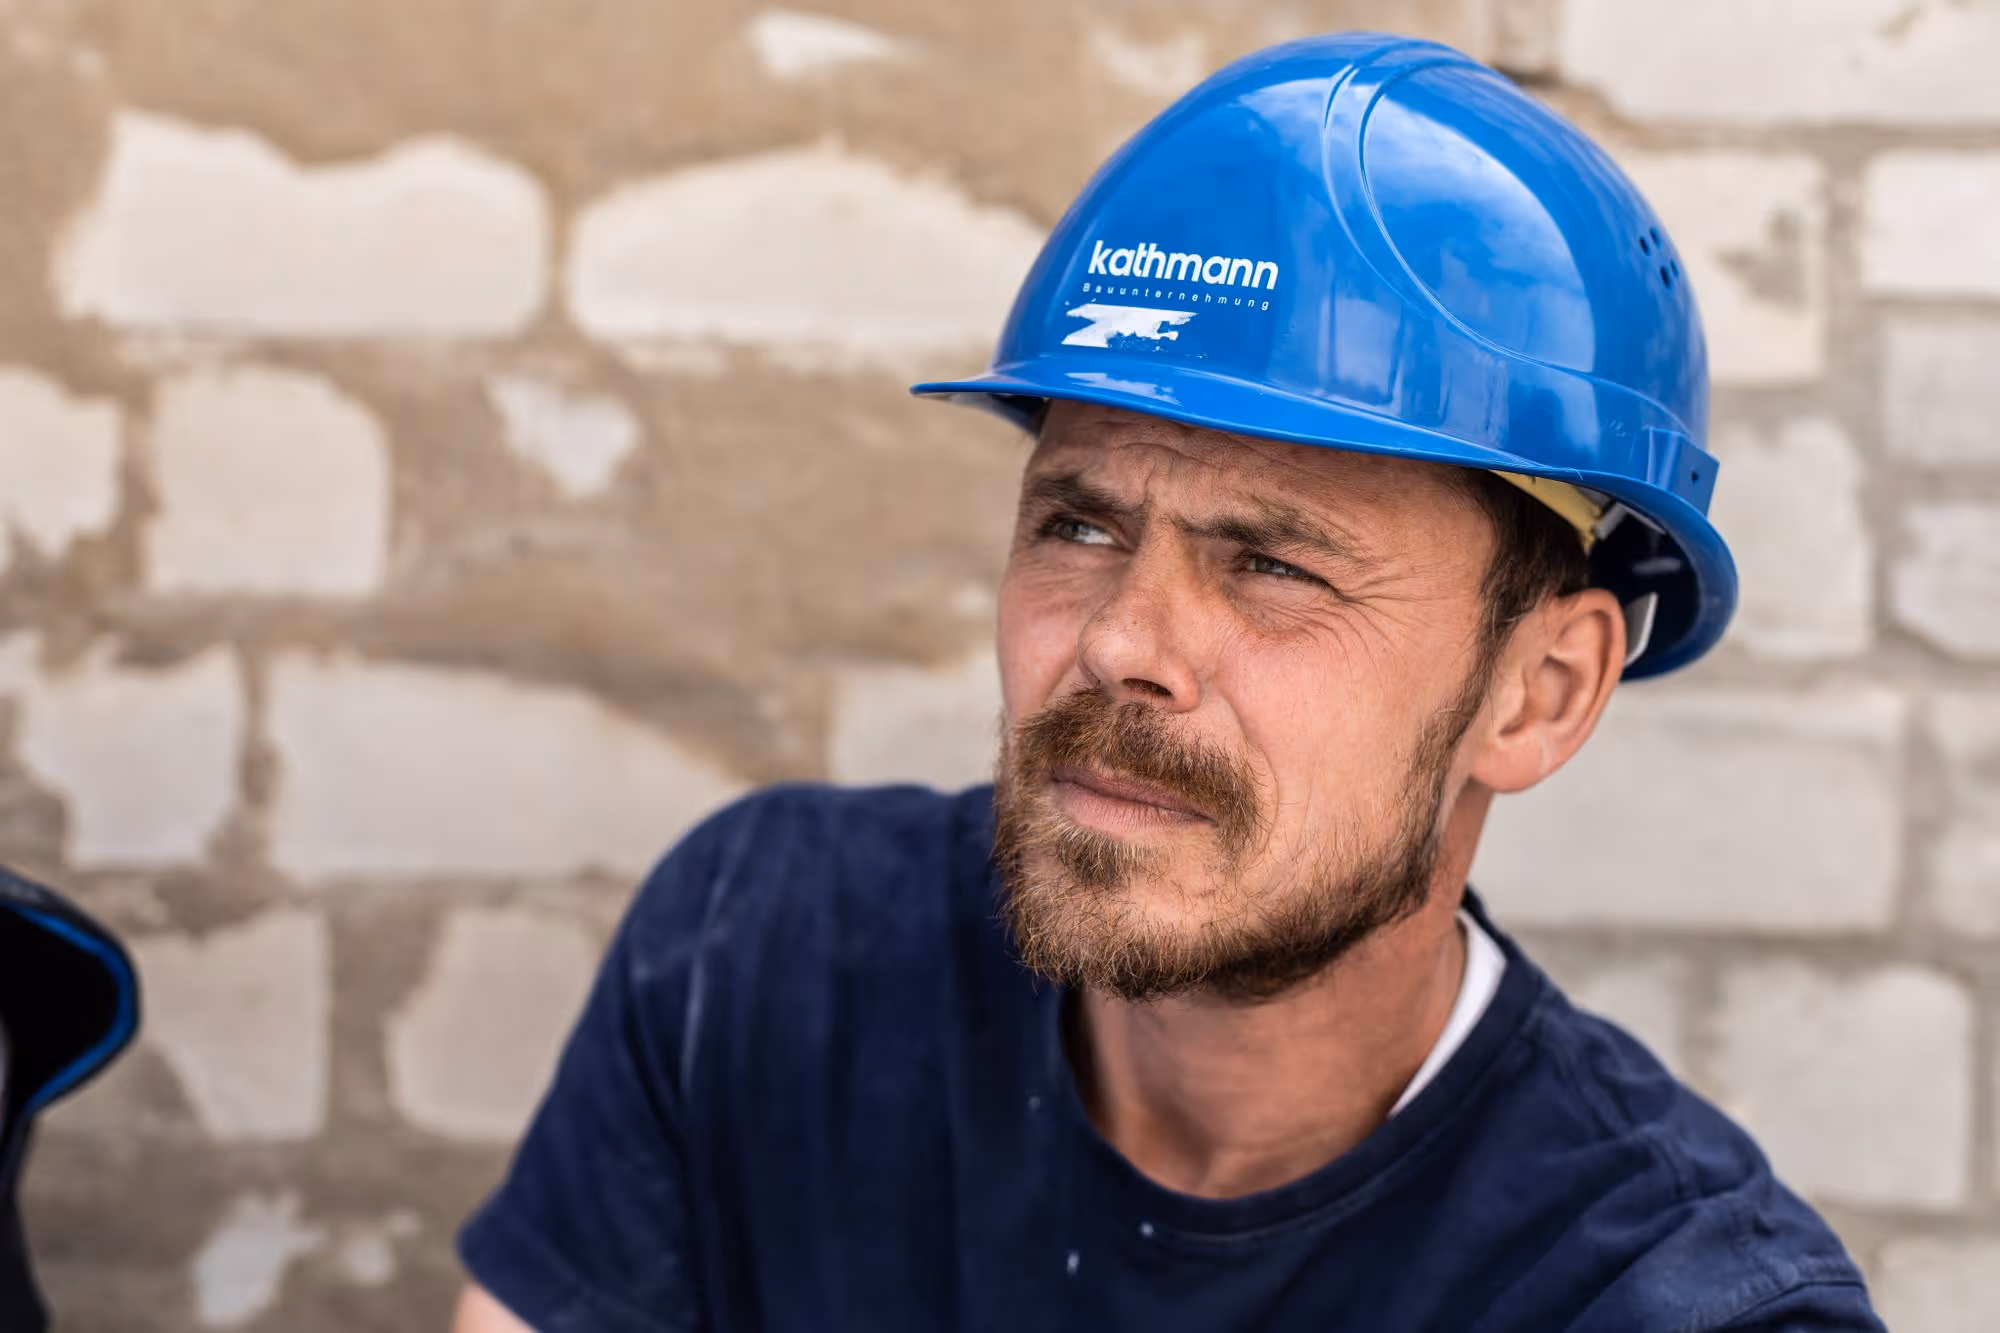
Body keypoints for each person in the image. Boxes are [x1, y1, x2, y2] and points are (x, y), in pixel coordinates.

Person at [453, 33, 1883, 1332]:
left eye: (1273, 565)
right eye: (1077, 528)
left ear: (1541, 693)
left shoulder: (1667, 1303)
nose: (1121, 644)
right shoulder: (760, 965)